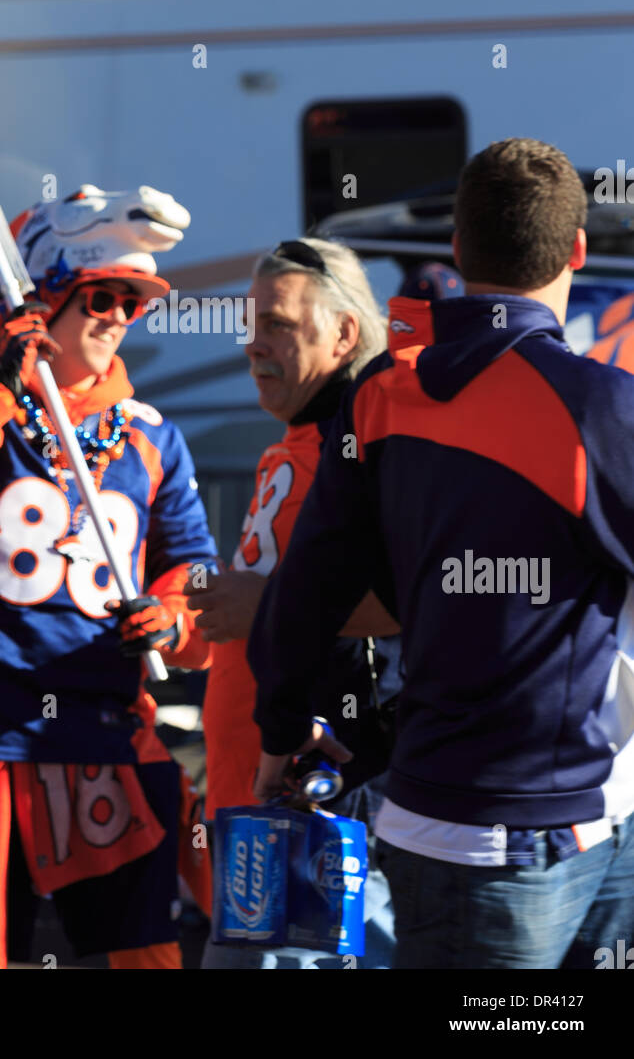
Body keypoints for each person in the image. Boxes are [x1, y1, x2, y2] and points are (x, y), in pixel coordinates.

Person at [249, 138, 634, 969]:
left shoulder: (384, 396)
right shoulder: (604, 405)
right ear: (576, 250)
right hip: (579, 824)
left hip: (451, 828)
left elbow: (304, 593)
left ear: (456, 250)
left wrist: (279, 728)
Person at [0, 184, 218, 970]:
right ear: (45, 299)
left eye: (136, 303)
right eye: (102, 296)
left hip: (107, 733)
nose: (119, 318)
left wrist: (171, 620)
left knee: (143, 953)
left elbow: (193, 571)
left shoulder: (152, 435)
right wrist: (1, 382)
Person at [189, 237, 400, 969]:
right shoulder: (295, 440)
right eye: (253, 324)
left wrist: (266, 604)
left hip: (320, 809)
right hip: (255, 805)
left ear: (343, 333)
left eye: (277, 323)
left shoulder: (367, 445)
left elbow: (407, 600)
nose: (254, 346)